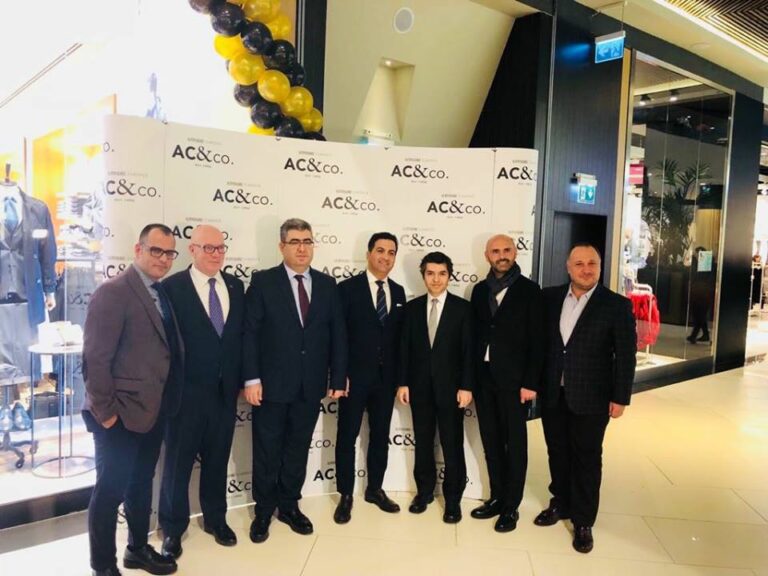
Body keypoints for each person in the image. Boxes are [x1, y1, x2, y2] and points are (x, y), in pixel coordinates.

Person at [82, 223, 183, 576]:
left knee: (140, 485)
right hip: (119, 415)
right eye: (156, 250)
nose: (164, 258)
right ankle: (103, 566)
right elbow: (95, 360)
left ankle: (137, 549)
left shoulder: (160, 291)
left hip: (153, 410)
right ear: (138, 250)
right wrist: (107, 415)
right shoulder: (113, 292)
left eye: (169, 253)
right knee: (109, 492)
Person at [242, 218, 347, 543]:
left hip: (310, 386)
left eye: (307, 241)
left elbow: (338, 333)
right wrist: (251, 379)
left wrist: (338, 376)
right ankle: (263, 511)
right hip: (270, 386)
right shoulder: (263, 282)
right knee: (266, 450)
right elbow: (250, 334)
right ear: (282, 246)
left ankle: (289, 505)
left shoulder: (327, 284)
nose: (302, 248)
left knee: (297, 449)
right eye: (295, 242)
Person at [536, 242, 636, 554]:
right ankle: (561, 502)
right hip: (553, 392)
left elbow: (626, 356)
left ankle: (583, 520)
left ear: (600, 267)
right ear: (568, 268)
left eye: (592, 263)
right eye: (579, 264)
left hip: (593, 397)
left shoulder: (616, 305)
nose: (586, 269)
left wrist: (621, 397)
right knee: (557, 452)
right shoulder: (549, 298)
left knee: (587, 457)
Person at [158, 225, 245, 560]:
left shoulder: (235, 285)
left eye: (220, 248)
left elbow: (238, 339)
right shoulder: (171, 288)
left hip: (225, 394)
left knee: (217, 461)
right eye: (208, 248)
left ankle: (216, 520)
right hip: (185, 396)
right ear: (192, 249)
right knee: (177, 466)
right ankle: (172, 528)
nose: (216, 254)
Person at [469, 234, 544, 532]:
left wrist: (531, 382)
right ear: (487, 256)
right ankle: (497, 497)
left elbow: (538, 341)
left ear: (515, 253)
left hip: (515, 383)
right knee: (491, 441)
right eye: (495, 251)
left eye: (507, 250)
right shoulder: (479, 291)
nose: (502, 255)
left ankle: (511, 506)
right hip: (484, 379)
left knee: (515, 444)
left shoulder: (530, 291)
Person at [333, 232, 406, 524]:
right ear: (368, 254)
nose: (385, 257)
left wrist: (400, 379)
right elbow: (338, 336)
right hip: (353, 379)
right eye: (380, 250)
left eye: (391, 252)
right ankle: (345, 495)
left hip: (385, 380)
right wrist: (340, 375)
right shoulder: (346, 289)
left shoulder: (398, 292)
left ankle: (375, 489)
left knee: (379, 436)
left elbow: (400, 341)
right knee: (347, 437)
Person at [397, 251, 473, 523]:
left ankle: (453, 499)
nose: (436, 279)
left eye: (442, 274)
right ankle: (424, 492)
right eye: (431, 273)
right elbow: (404, 348)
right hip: (419, 389)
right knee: (423, 442)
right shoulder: (412, 308)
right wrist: (403, 382)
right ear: (423, 276)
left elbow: (468, 352)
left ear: (449, 276)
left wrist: (466, 386)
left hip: (452, 390)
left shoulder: (463, 309)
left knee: (452, 444)